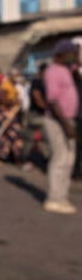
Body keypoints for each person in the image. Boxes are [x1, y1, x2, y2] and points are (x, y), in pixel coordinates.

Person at [42, 40, 80, 214]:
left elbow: (78, 64)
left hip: (68, 120)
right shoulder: (53, 72)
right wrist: (66, 125)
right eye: (71, 53)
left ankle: (62, 196)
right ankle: (54, 199)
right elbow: (53, 101)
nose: (74, 56)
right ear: (61, 55)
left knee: (69, 159)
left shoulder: (66, 70)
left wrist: (77, 54)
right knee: (60, 159)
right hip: (58, 121)